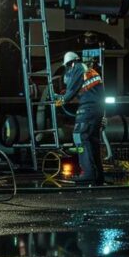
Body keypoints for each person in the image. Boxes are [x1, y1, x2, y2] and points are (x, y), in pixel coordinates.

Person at [55, 51, 105, 185]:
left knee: (80, 137)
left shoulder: (78, 68)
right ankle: (98, 175)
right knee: (92, 141)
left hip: (88, 109)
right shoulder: (89, 71)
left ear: (71, 63)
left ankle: (88, 173)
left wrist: (61, 100)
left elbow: (71, 91)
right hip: (96, 108)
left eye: (67, 67)